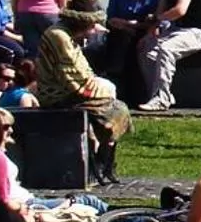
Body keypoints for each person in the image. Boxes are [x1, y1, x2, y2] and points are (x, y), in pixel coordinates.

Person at [34, 20, 132, 181]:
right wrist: (98, 88)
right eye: (92, 27)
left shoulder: (69, 37)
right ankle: (101, 159)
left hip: (75, 90)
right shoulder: (58, 36)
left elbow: (83, 71)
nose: (94, 31)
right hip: (58, 94)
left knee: (117, 108)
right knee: (115, 108)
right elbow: (72, 78)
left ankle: (106, 160)